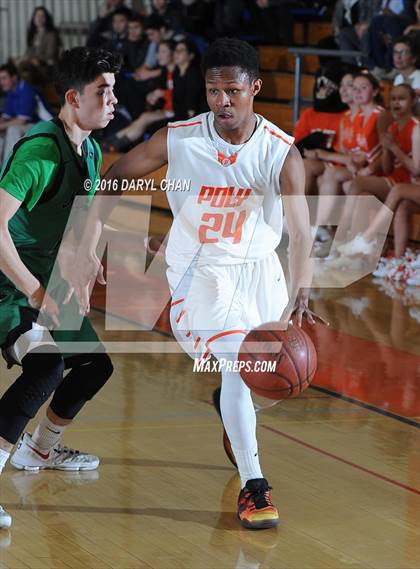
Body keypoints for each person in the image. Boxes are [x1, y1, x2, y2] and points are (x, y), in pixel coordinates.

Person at [71, 38, 324, 530]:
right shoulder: (180, 137)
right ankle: (255, 487)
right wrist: (88, 246)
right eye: (213, 91)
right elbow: (115, 178)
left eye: (232, 91)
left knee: (262, 384)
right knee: (238, 364)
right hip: (200, 273)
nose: (222, 102)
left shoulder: (281, 152)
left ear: (255, 88)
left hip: (260, 273)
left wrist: (303, 286)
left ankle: (235, 413)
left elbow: (300, 228)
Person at [0, 47, 120, 530]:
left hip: (46, 283)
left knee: (95, 366)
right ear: (73, 97)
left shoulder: (87, 148)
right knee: (46, 367)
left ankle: (38, 450)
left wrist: (88, 253)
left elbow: (79, 216)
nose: (113, 99)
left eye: (113, 88)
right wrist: (33, 291)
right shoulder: (41, 152)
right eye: (102, 91)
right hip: (11, 287)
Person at [0, 63, 38, 162]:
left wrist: (2, 125)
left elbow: (22, 120)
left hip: (43, 124)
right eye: (0, 79)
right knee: (3, 131)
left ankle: (8, 168)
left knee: (13, 129)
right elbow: (5, 117)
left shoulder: (26, 89)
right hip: (28, 125)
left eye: (4, 78)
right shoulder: (10, 92)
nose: (1, 82)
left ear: (14, 78)